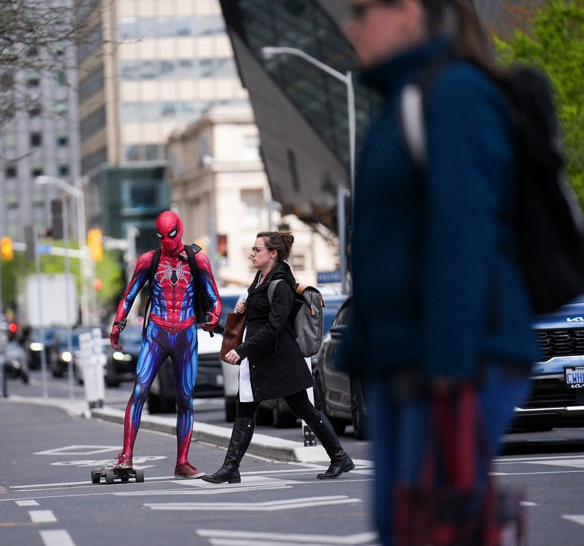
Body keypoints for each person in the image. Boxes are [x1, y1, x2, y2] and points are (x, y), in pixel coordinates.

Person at [340, 1, 537, 543]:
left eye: (362, 10)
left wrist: (451, 364)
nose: (351, 25)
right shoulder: (402, 98)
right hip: (405, 357)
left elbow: (464, 230)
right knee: (405, 525)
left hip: (454, 359)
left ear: (407, 12)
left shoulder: (452, 94)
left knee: (433, 527)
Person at [203, 231, 353, 484]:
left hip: (281, 360)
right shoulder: (260, 279)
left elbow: (274, 326)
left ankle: (339, 457)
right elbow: (261, 315)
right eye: (252, 249)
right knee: (245, 410)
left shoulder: (281, 283)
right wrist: (245, 307)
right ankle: (231, 467)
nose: (252, 253)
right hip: (261, 360)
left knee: (303, 409)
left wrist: (241, 350)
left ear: (272, 254)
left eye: (257, 249)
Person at [106, 211, 221, 478]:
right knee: (140, 391)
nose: (167, 241)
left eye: (171, 235)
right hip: (157, 332)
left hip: (186, 333)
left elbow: (214, 296)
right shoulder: (149, 260)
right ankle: (126, 456)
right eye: (161, 236)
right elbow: (129, 295)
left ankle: (182, 462)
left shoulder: (198, 260)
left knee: (185, 399)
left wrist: (214, 317)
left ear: (179, 230)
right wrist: (117, 325)